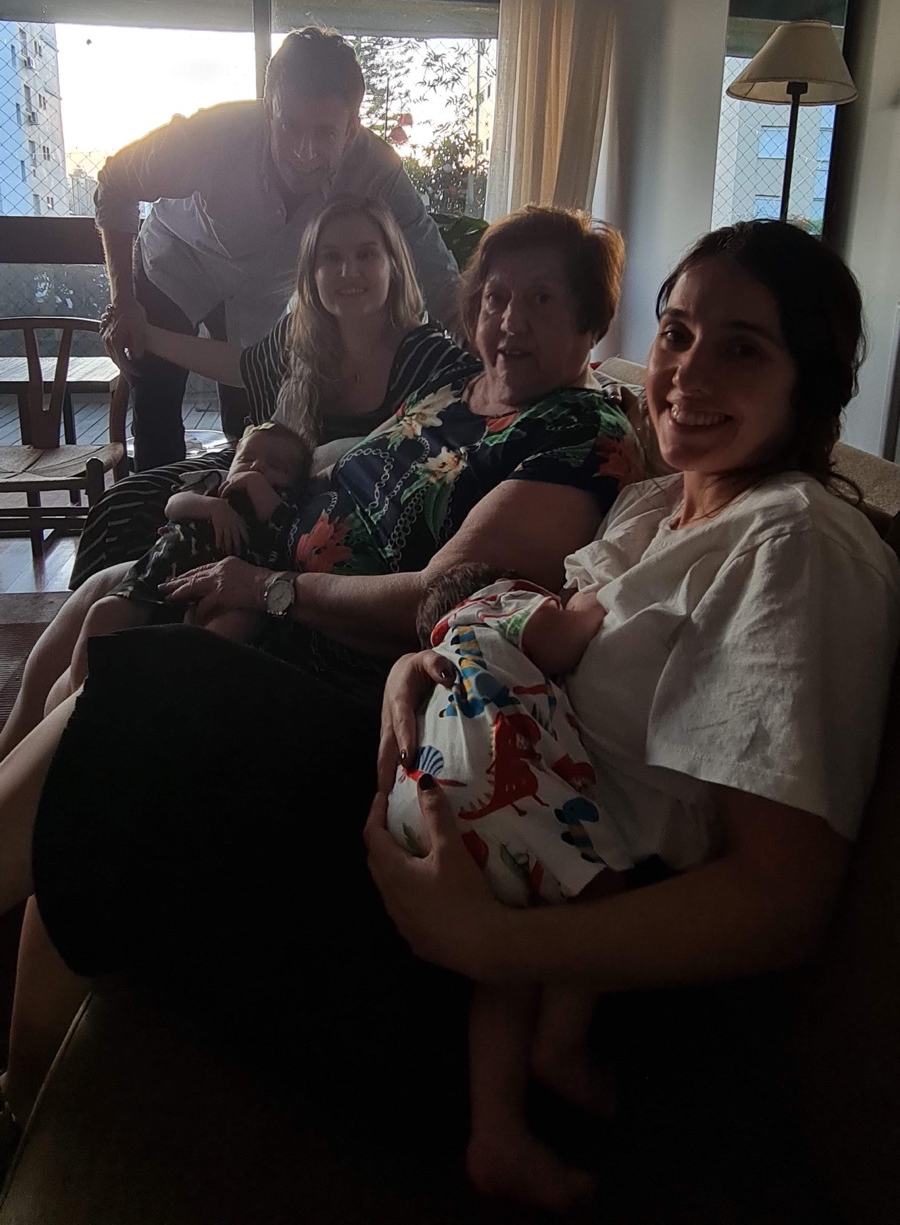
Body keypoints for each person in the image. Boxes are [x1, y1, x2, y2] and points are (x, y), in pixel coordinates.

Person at [0, 205, 637, 1134]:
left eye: (543, 299)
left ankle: (19, 1089)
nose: (511, 320)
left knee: (129, 697)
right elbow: (322, 464)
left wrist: (270, 589)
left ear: (591, 321)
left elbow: (437, 596)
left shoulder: (578, 431)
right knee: (105, 655)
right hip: (270, 600)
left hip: (346, 679)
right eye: (497, 296)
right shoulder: (456, 393)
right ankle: (21, 1082)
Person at [367, 220, 900, 1208]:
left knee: (168, 701)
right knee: (166, 688)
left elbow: (779, 900)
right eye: (678, 333)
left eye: (743, 348)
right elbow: (527, 648)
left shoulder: (798, 543)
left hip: (584, 957)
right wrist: (422, 672)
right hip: (489, 828)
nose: (688, 372)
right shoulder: (654, 509)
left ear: (810, 384)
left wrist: (488, 944)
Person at [0, 195, 441, 761]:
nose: (347, 271)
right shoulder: (303, 338)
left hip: (305, 543)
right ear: (311, 274)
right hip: (250, 490)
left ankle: (74, 733)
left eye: (366, 254)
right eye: (329, 257)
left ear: (394, 263)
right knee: (108, 558)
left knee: (110, 637)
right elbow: (237, 364)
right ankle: (17, 742)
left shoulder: (423, 357)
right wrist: (147, 335)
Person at [95, 25, 461, 468]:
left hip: (261, 295)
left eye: (325, 133)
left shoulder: (376, 167)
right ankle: (156, 502)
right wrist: (123, 301)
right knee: (156, 398)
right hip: (176, 263)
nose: (304, 153)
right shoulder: (210, 134)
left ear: (352, 128)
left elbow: (433, 263)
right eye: (290, 126)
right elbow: (115, 183)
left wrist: (479, 352)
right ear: (270, 107)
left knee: (253, 417)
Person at [388, 561, 622, 1201]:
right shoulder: (497, 603)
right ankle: (560, 1048)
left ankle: (496, 1138)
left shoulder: (440, 654)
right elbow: (565, 639)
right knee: (600, 893)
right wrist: (592, 598)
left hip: (417, 803)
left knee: (508, 960)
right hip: (486, 791)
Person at [50, 421, 311, 712]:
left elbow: (282, 528)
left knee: (228, 630)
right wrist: (213, 506)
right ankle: (80, 699)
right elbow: (173, 505)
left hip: (229, 596)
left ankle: (174, 693)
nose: (257, 467)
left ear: (295, 480)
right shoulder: (214, 483)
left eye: (275, 466)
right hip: (159, 578)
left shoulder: (283, 504)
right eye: (247, 458)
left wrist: (255, 484)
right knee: (103, 612)